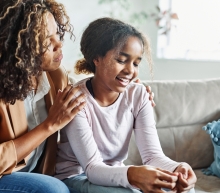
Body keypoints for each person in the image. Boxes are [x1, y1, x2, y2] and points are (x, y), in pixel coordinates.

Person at [55, 17, 197, 193]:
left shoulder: (138, 95)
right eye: (122, 60)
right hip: (77, 177)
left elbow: (152, 156)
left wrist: (178, 169)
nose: (130, 70)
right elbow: (92, 168)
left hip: (115, 175)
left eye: (136, 63)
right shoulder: (76, 101)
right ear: (96, 58)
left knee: (184, 189)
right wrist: (133, 175)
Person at [0, 0, 86, 192]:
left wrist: (125, 91)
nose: (59, 44)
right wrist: (50, 125)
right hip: (4, 176)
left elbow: (87, 96)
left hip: (39, 175)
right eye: (47, 41)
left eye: (57, 33)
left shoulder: (55, 76)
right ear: (19, 47)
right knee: (53, 189)